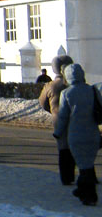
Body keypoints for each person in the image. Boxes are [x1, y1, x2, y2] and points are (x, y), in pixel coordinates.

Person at [53, 63, 100, 206]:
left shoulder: (66, 93)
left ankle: (89, 195)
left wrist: (58, 132)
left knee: (83, 166)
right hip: (92, 134)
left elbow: (63, 116)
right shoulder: (92, 90)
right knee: (88, 163)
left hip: (75, 135)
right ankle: (82, 190)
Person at [41, 54, 75, 185]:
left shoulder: (51, 86)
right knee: (77, 147)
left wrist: (53, 110)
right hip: (75, 119)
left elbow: (43, 103)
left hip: (58, 119)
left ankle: (66, 177)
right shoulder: (75, 83)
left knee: (63, 148)